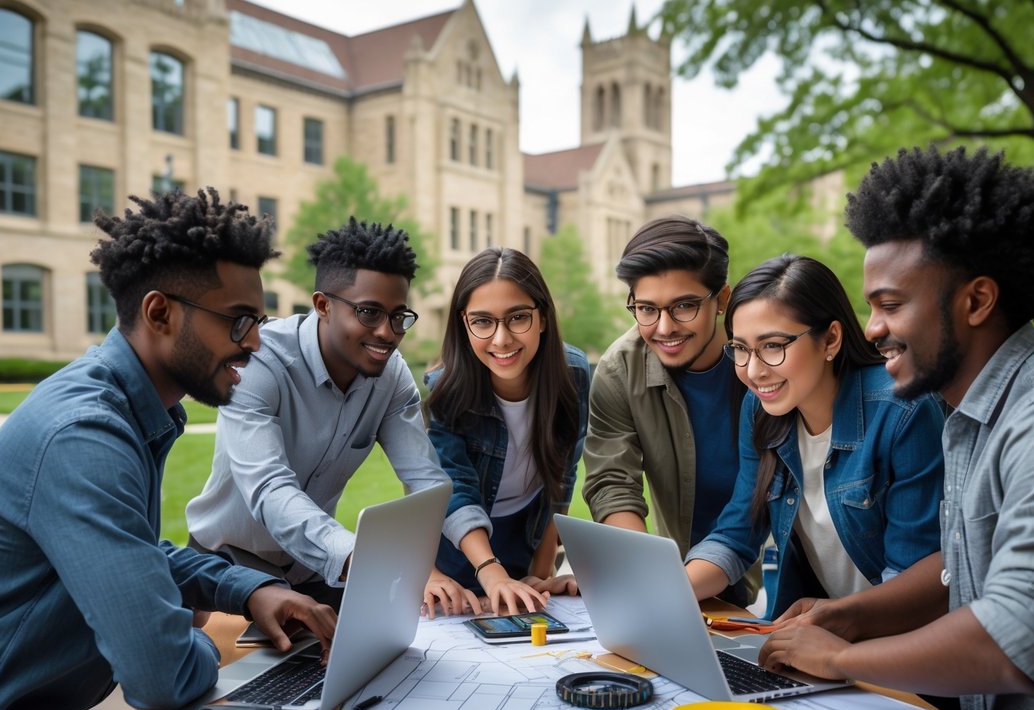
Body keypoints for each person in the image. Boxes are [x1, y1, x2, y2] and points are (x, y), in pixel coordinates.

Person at [0, 188, 338, 710]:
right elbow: (162, 675)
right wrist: (217, 655)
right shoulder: (84, 433)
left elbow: (136, 550)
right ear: (160, 312)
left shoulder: (136, 410)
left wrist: (250, 592)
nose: (256, 345)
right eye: (240, 320)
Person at [759, 146, 1034, 710]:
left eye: (891, 304)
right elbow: (960, 572)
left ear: (977, 301)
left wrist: (838, 659)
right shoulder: (967, 416)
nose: (872, 328)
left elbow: (1020, 640)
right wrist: (848, 615)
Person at [185, 217, 466, 616]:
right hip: (227, 564)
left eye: (398, 316)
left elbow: (424, 479)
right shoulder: (260, 363)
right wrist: (361, 556)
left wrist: (446, 565)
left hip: (311, 568)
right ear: (323, 306)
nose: (387, 333)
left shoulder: (391, 375)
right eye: (369, 312)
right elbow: (270, 488)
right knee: (245, 678)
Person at [685, 255, 945, 616]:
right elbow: (736, 534)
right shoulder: (760, 408)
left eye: (773, 346)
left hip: (898, 641)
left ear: (831, 340)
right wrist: (670, 592)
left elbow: (911, 579)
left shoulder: (903, 411)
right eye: (740, 348)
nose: (753, 370)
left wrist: (830, 627)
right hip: (822, 630)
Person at [583, 216, 760, 605]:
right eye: (646, 308)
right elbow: (612, 484)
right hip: (680, 582)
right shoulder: (618, 371)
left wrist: (663, 590)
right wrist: (651, 576)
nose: (664, 328)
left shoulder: (764, 362)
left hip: (773, 571)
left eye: (683, 306)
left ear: (723, 300)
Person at [423, 247, 591, 615]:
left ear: (543, 318)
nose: (501, 339)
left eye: (517, 318)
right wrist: (490, 573)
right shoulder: (444, 390)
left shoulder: (574, 375)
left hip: (519, 549)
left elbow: (561, 479)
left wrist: (541, 572)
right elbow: (454, 490)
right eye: (482, 321)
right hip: (453, 558)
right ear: (463, 323)